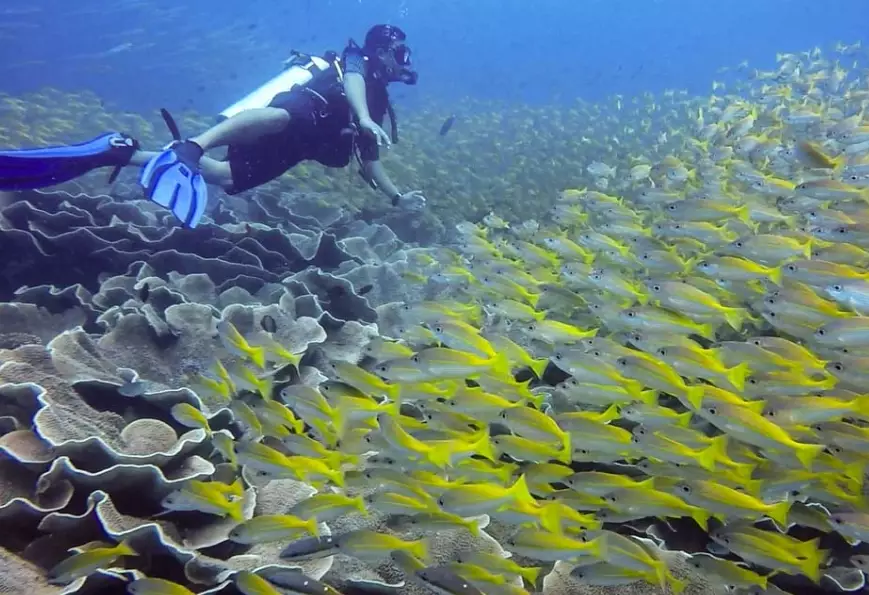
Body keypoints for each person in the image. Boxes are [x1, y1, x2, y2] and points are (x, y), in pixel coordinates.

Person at [0, 24, 426, 228]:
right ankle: (193, 146)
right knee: (280, 116)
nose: (403, 63)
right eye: (400, 53)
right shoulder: (356, 63)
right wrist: (366, 117)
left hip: (299, 146)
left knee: (224, 177)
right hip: (298, 112)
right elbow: (351, 79)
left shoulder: (379, 100)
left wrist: (398, 196)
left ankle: (120, 152)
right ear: (381, 50)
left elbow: (370, 162)